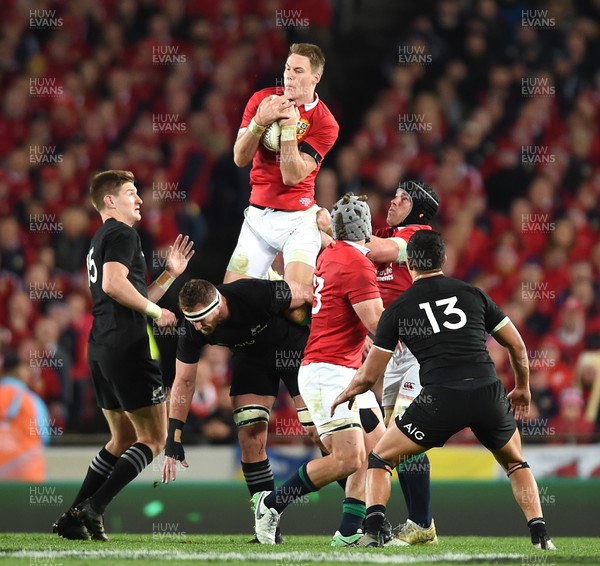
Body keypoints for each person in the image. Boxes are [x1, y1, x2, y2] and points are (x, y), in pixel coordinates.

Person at [331, 230, 556, 550]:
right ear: (444, 260)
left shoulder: (398, 309)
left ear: (409, 263)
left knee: (381, 459)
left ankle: (373, 531)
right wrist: (522, 387)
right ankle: (540, 535)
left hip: (440, 398)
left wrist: (345, 394)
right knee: (516, 463)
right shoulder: (473, 294)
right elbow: (516, 345)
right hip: (487, 393)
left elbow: (369, 376)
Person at [53, 170, 194, 541]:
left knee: (122, 438)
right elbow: (114, 285)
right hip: (130, 347)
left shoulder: (100, 239)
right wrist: (156, 313)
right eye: (132, 192)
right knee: (152, 437)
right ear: (109, 201)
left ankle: (71, 516)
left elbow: (131, 294)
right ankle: (93, 507)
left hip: (102, 347)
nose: (140, 199)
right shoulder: (122, 233)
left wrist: (169, 277)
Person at [252, 194, 386, 546]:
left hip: (341, 368)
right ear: (368, 229)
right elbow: (377, 324)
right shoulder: (356, 264)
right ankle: (272, 503)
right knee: (348, 458)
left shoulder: (330, 254)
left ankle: (348, 532)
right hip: (330, 371)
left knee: (376, 449)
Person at [161, 277, 314, 544]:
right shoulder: (192, 327)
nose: (196, 326)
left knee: (320, 434)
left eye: (201, 319)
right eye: (191, 320)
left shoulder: (254, 293)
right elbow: (184, 381)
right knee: (249, 437)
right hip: (252, 360)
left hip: (296, 350)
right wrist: (174, 435)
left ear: (218, 305)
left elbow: (310, 295)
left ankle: (360, 518)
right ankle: (267, 527)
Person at [228, 42, 339, 314]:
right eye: (288, 68)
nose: (289, 76)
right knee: (232, 304)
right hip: (258, 217)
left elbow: (291, 176)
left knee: (297, 307)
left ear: (316, 77)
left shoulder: (326, 123)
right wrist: (259, 122)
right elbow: (240, 158)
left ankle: (273, 287)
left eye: (298, 71)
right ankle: (270, 282)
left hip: (298, 220)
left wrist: (288, 128)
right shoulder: (262, 100)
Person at [364, 180, 440, 545]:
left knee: (404, 431)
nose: (392, 200)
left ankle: (421, 523)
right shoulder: (384, 232)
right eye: (393, 195)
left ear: (420, 209)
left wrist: (335, 226)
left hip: (416, 350)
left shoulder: (418, 235)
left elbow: (374, 250)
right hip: (390, 351)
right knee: (397, 439)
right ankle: (421, 524)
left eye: (403, 198)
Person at [0, 351, 50, 482]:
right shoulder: (32, 401)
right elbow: (45, 436)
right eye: (26, 369)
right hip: (28, 478)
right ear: (19, 371)